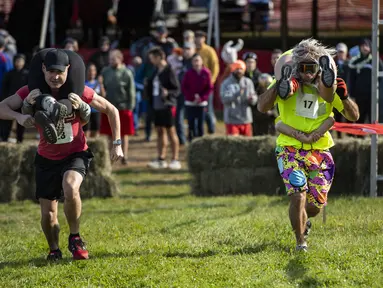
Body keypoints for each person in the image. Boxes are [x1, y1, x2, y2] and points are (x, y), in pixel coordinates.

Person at [0, 48, 123, 261]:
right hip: (46, 158)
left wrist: (117, 144)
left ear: (68, 69)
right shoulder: (31, 91)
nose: (55, 77)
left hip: (75, 152)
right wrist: (19, 117)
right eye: (51, 72)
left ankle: (75, 238)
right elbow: (2, 107)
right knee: (48, 215)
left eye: (60, 72)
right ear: (43, 69)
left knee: (71, 186)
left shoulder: (78, 90)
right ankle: (54, 249)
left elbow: (112, 110)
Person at [257, 39, 360, 252]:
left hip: (320, 150)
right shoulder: (285, 81)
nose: (306, 73)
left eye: (311, 68)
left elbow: (353, 116)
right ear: (295, 67)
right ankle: (300, 242)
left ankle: (306, 221)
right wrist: (277, 86)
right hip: (289, 148)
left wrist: (345, 96)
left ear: (319, 68)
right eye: (302, 68)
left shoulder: (327, 87)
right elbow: (261, 106)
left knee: (314, 206)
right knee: (298, 195)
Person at [145, 46, 181, 170]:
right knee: (160, 131)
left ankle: (175, 159)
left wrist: (168, 93)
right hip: (156, 106)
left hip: (167, 106)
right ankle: (161, 158)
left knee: (171, 131)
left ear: (159, 57)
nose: (151, 61)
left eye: (152, 58)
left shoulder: (169, 70)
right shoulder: (155, 71)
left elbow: (177, 89)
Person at [100, 49, 135, 165]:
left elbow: (131, 91)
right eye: (110, 59)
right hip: (109, 108)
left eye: (113, 59)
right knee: (110, 134)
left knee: (123, 134)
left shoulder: (127, 73)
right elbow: (102, 88)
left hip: (123, 107)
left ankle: (124, 156)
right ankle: (112, 157)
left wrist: (130, 107)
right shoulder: (105, 71)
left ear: (120, 59)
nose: (111, 61)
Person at [220, 60, 257, 137]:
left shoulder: (248, 82)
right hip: (232, 120)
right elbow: (224, 99)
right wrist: (237, 94)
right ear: (233, 69)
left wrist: (252, 99)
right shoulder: (226, 83)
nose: (239, 71)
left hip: (246, 119)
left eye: (241, 69)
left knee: (248, 144)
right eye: (237, 69)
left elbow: (254, 97)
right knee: (233, 145)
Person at [181, 54, 213, 141]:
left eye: (198, 60)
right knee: (191, 124)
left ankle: (200, 143)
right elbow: (184, 87)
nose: (196, 63)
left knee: (200, 124)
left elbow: (209, 88)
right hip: (190, 103)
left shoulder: (206, 73)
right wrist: (192, 97)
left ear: (201, 61)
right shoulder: (188, 73)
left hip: (201, 103)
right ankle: (191, 142)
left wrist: (201, 98)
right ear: (192, 62)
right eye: (194, 61)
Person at [83, 63, 105, 138]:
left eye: (93, 70)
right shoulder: (84, 83)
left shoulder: (98, 83)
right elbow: (90, 95)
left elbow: (103, 95)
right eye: (90, 70)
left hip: (96, 111)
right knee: (86, 132)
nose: (92, 72)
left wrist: (101, 84)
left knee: (96, 131)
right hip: (86, 111)